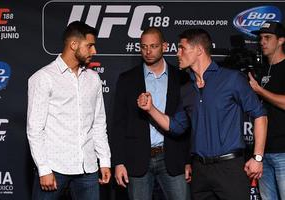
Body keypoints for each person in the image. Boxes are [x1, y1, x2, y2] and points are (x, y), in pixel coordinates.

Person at [137, 28, 268, 200]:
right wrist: (151, 109)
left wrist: (257, 157)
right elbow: (176, 126)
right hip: (200, 171)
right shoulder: (186, 90)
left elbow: (260, 115)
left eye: (182, 48)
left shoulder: (232, 79)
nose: (177, 53)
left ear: (199, 50)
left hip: (230, 168)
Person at [27, 21, 111, 200]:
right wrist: (43, 169)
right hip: (55, 168)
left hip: (87, 168)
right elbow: (35, 129)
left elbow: (98, 123)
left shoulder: (93, 79)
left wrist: (104, 161)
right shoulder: (43, 78)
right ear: (73, 45)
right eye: (89, 46)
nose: (94, 51)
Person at [110, 27, 191, 200]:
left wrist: (187, 161)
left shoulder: (181, 78)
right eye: (143, 46)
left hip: (172, 157)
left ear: (165, 46)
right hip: (137, 159)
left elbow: (187, 124)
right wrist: (118, 162)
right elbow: (118, 124)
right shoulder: (127, 79)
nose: (148, 51)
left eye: (153, 46)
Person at [249, 21, 285, 200]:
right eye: (261, 38)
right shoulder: (261, 70)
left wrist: (259, 90)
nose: (262, 42)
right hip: (263, 152)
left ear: (281, 41)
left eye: (268, 38)